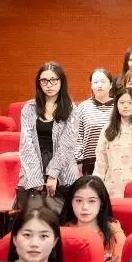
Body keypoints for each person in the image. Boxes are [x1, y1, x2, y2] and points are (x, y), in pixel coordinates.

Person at [17, 62, 79, 209]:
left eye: (53, 80)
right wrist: (35, 177)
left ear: (61, 82)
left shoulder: (71, 109)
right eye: (44, 81)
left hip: (63, 169)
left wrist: (53, 174)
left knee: (62, 215)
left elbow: (67, 145)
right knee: (31, 213)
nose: (49, 85)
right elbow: (26, 144)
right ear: (39, 83)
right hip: (34, 167)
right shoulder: (29, 108)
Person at [61, 176, 125, 262]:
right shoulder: (62, 232)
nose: (84, 207)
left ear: (101, 204)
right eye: (78, 200)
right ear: (71, 203)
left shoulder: (115, 235)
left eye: (92, 201)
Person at [75, 68, 116, 176]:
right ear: (91, 86)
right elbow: (78, 137)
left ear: (111, 85)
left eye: (103, 82)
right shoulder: (83, 107)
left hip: (115, 160)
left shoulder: (118, 106)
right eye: (95, 82)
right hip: (89, 161)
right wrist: (78, 161)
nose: (99, 85)